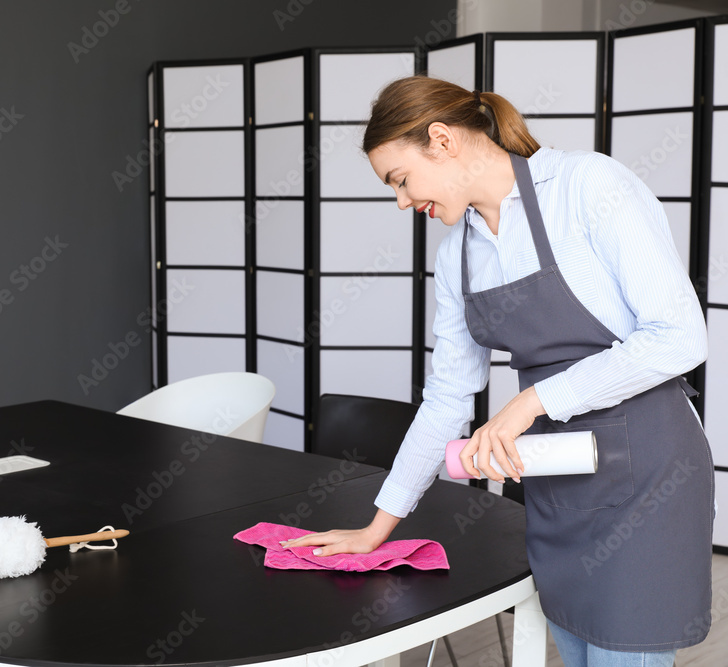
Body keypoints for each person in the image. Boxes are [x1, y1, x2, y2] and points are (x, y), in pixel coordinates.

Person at [281, 76, 715, 667]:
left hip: (647, 475)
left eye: (401, 180)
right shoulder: (457, 254)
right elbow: (446, 399)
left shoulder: (588, 186)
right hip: (557, 480)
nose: (402, 203)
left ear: (442, 140)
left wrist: (530, 400)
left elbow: (680, 337)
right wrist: (377, 527)